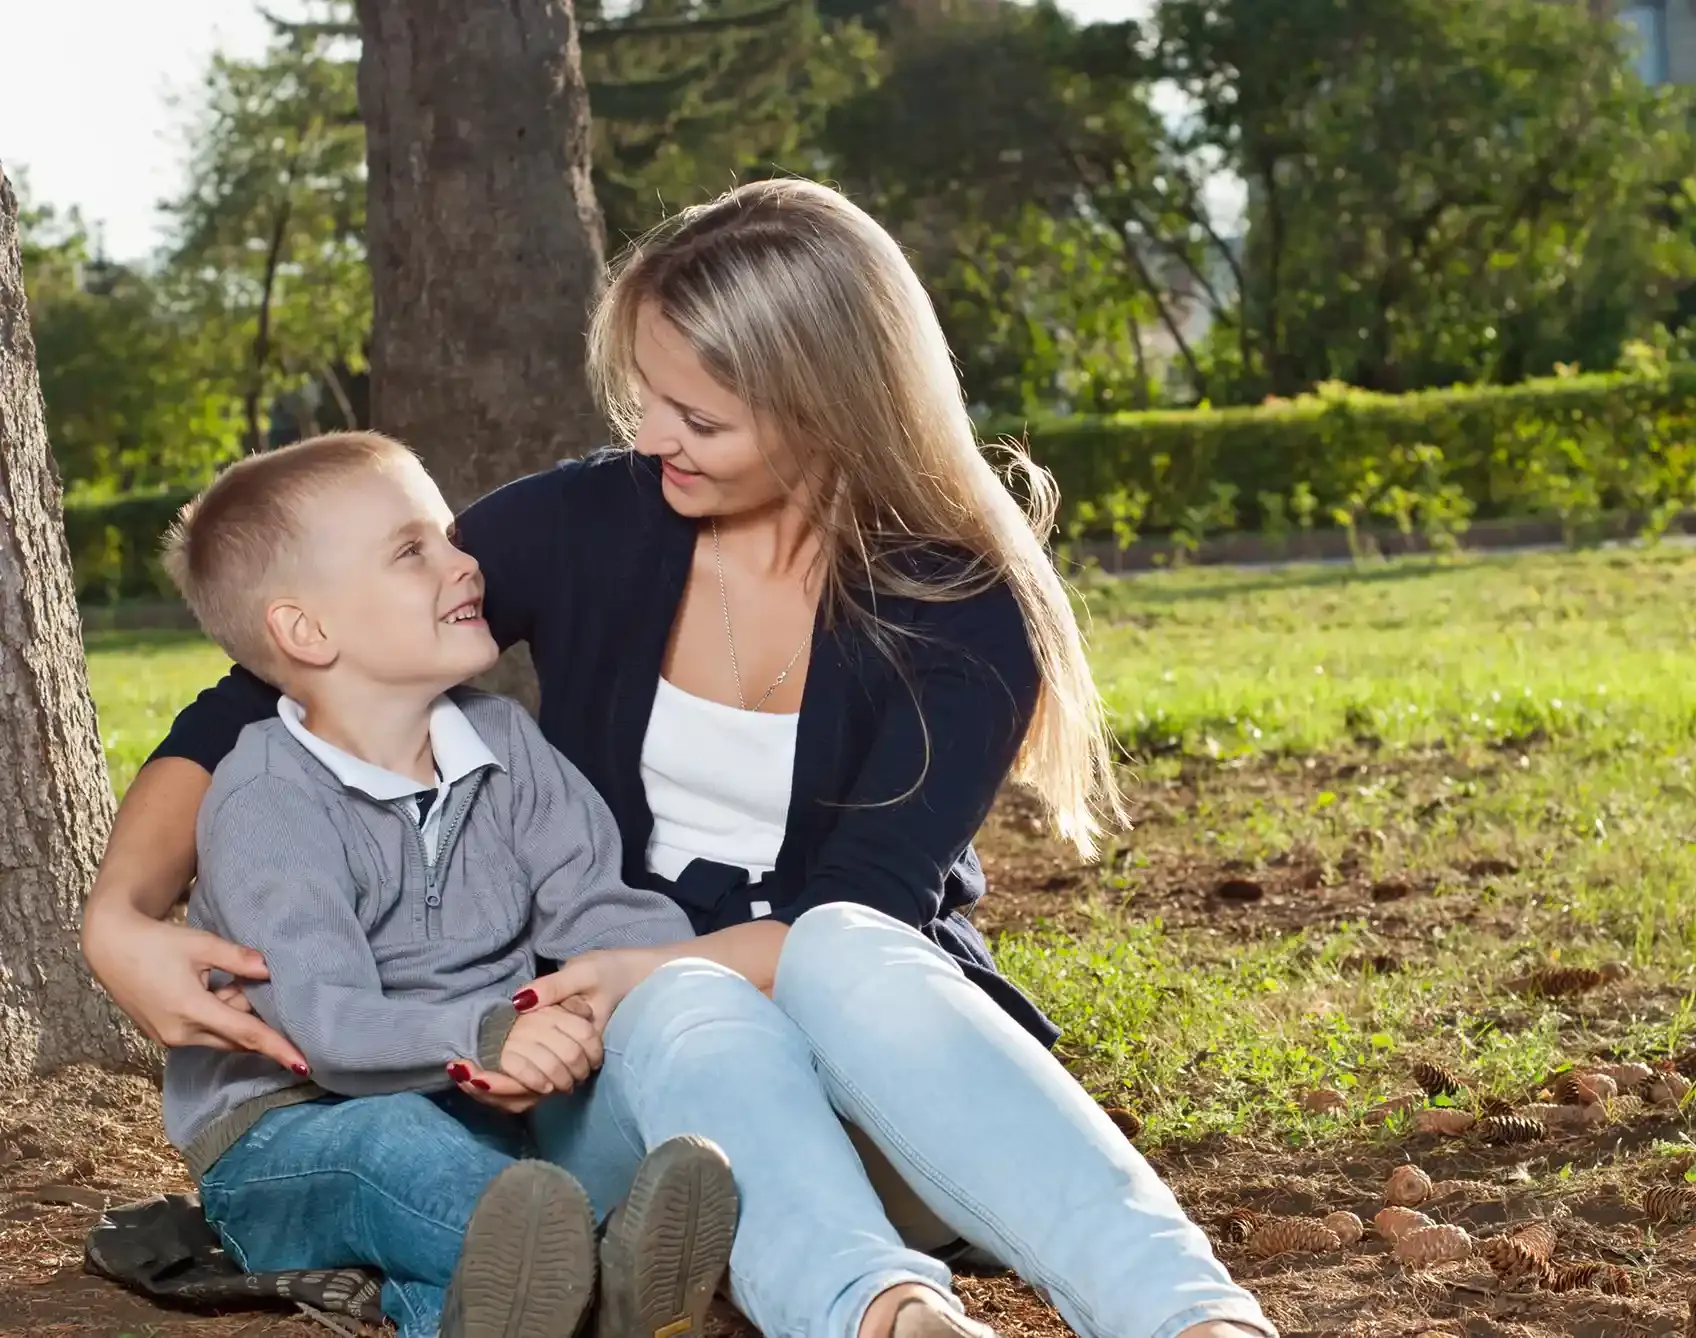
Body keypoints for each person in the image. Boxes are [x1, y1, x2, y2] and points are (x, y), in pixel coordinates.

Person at [84, 178, 1275, 1338]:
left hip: (890, 1094)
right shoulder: (588, 524)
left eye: (698, 417)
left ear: (829, 406)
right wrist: (121, 920)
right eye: (648, 396)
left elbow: (867, 902)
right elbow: (270, 686)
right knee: (689, 1008)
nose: (651, 435)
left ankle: (1192, 1317)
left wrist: (644, 972)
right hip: (626, 1084)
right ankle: (887, 1317)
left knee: (846, 946)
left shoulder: (959, 610)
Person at [152, 430, 760, 1338]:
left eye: (447, 536)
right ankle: (615, 1280)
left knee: (499, 1245)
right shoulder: (268, 798)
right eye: (413, 551)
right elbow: (327, 1024)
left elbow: (598, 903)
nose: (463, 562)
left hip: (478, 1121)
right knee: (407, 1154)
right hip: (290, 1135)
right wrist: (493, 1028)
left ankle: (548, 1304)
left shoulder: (503, 742)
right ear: (305, 631)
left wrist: (647, 985)